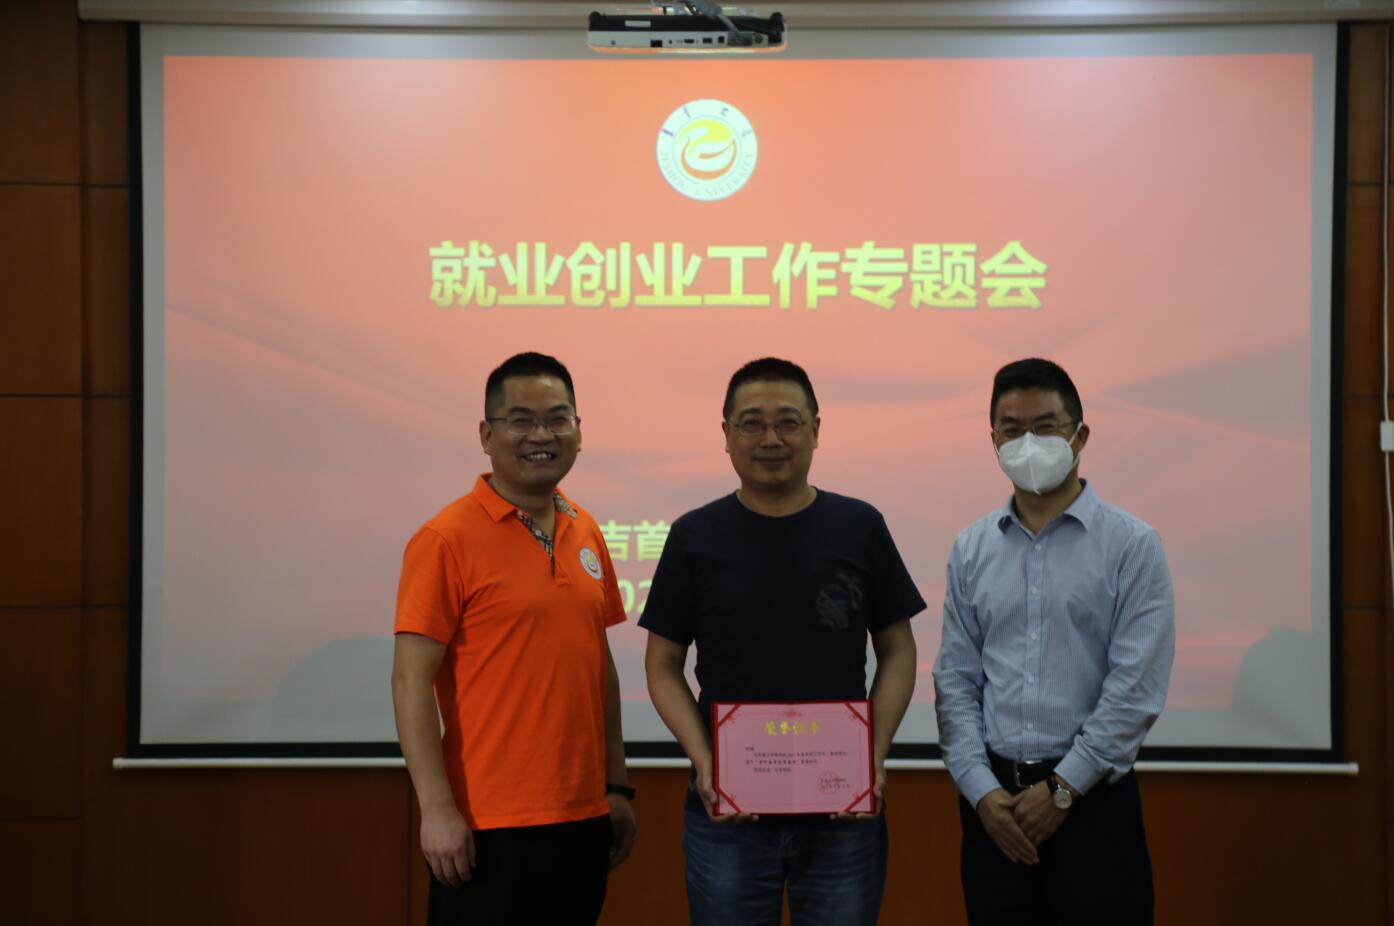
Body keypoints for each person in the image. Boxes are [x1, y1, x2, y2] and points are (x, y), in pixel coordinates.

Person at [640, 357, 925, 926]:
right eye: (752, 423)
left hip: (842, 814)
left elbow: (898, 649)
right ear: (726, 434)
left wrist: (872, 755)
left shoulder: (860, 526)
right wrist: (704, 760)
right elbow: (663, 664)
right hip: (728, 814)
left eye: (788, 422)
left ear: (816, 429)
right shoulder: (694, 535)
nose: (771, 438)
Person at [391, 351, 636, 925]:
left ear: (578, 430)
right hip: (486, 825)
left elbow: (598, 667)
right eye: (521, 420)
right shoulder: (444, 538)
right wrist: (436, 809)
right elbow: (409, 682)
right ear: (486, 435)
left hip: (583, 817)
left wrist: (616, 786)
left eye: (557, 419)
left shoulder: (585, 528)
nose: (541, 436)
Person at [933, 357, 1175, 926]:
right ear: (993, 440)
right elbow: (956, 682)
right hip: (996, 811)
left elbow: (1135, 689)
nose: (1028, 443)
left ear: (1080, 435)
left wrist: (1064, 789)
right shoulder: (971, 549)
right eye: (1011, 430)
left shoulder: (1132, 545)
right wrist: (980, 791)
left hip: (1094, 806)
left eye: (1045, 427)